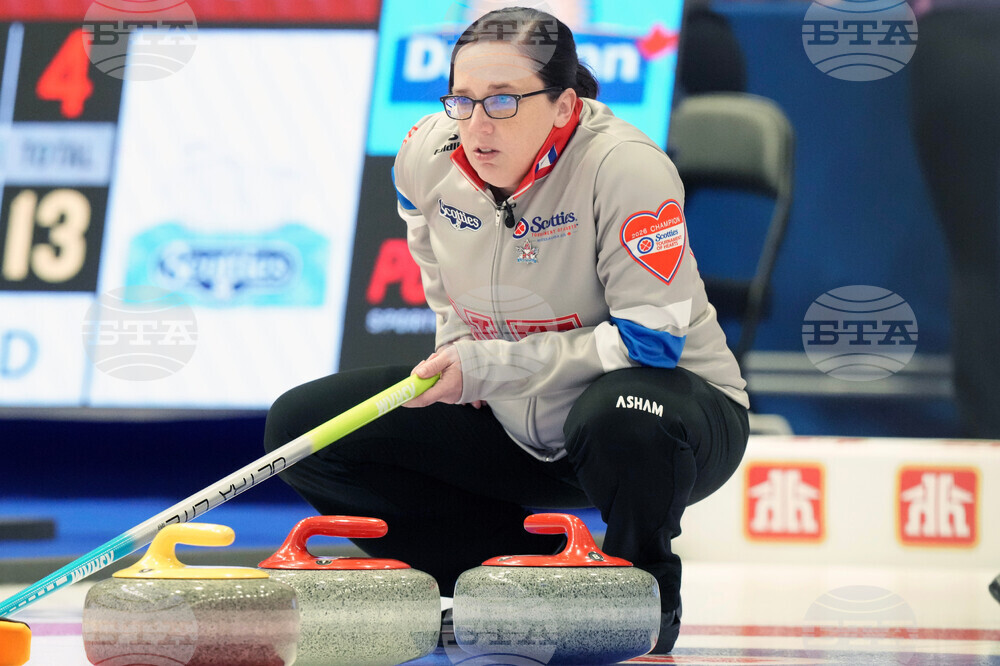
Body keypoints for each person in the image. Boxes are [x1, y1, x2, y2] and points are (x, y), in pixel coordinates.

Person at [264, 6, 749, 655]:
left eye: (502, 101)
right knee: (304, 426)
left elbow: (651, 341)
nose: (476, 126)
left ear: (562, 104)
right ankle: (508, 577)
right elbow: (430, 251)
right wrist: (457, 345)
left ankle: (641, 593)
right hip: (515, 415)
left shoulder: (626, 167)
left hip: (671, 412)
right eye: (462, 101)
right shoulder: (425, 156)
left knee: (622, 414)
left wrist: (490, 365)